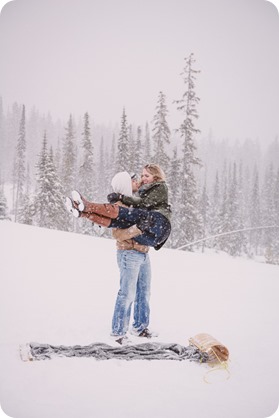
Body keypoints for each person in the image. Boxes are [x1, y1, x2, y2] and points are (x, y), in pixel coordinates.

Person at [65, 164, 171, 251]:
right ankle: (84, 212)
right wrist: (138, 229)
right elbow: (117, 234)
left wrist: (121, 197)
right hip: (142, 245)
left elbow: (143, 202)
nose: (141, 179)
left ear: (156, 177)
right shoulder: (126, 204)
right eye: (141, 176)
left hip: (158, 224)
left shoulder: (159, 187)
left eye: (146, 176)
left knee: (123, 216)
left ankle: (87, 208)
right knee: (118, 220)